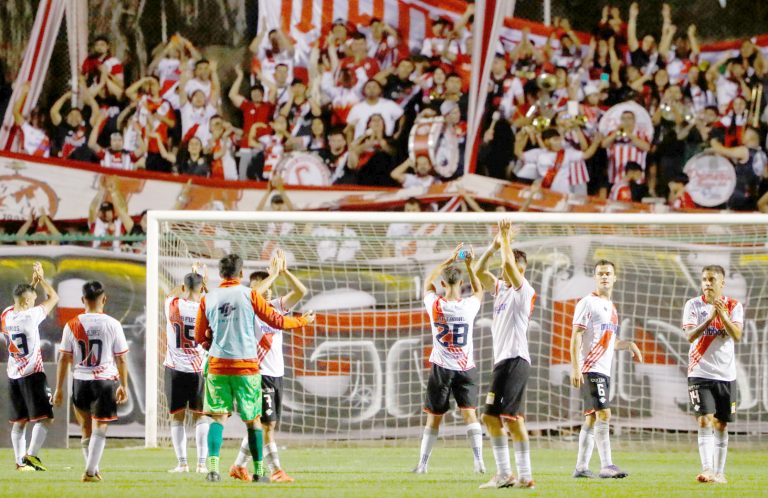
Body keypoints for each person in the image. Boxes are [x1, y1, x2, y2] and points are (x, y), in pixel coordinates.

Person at [193, 254, 315, 483]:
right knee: (254, 421)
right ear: (241, 274)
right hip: (247, 368)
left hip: (218, 366)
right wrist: (302, 321)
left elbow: (200, 336)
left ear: (220, 274)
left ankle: (212, 470)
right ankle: (260, 473)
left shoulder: (207, 298)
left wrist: (213, 342)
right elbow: (276, 321)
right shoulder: (249, 295)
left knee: (217, 419)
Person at [230, 250, 307, 483]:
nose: (267, 288)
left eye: (269, 284)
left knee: (263, 424)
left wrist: (283, 272)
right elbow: (252, 295)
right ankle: (276, 471)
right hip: (258, 374)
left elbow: (301, 292)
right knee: (268, 424)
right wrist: (272, 275)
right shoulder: (247, 309)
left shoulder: (276, 307)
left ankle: (237, 466)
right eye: (261, 285)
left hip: (277, 374)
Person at [473, 221, 536, 489]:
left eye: (509, 266)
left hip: (514, 359)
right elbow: (478, 271)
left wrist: (506, 238)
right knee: (499, 418)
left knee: (500, 418)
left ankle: (513, 475)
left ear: (522, 270)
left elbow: (509, 266)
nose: (503, 270)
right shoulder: (501, 289)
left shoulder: (524, 290)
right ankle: (516, 476)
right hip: (505, 362)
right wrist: (493, 245)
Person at [413, 244, 485, 475]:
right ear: (461, 284)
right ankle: (479, 462)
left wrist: (448, 260)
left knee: (434, 419)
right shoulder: (468, 306)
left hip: (442, 368)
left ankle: (423, 465)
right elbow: (479, 290)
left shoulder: (435, 304)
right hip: (465, 368)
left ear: (443, 284)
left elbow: (427, 283)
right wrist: (469, 265)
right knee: (470, 415)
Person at [570, 260, 642, 479]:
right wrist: (575, 367)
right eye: (600, 273)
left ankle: (581, 467)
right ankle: (607, 465)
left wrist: (627, 344)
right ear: (595, 277)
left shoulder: (611, 307)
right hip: (591, 368)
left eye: (608, 273)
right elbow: (576, 335)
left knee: (592, 417)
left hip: (603, 369)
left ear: (614, 277)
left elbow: (609, 341)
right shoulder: (587, 303)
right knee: (604, 413)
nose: (604, 277)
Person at [53, 281, 130, 482]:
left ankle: (93, 470)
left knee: (85, 429)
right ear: (104, 299)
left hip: (80, 381)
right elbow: (121, 357)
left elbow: (63, 358)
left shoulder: (72, 324)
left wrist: (59, 388)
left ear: (82, 300)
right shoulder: (113, 324)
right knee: (100, 428)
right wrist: (124, 385)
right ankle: (89, 471)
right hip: (104, 382)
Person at [683, 266, 743, 484]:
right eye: (704, 279)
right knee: (704, 420)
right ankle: (707, 469)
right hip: (699, 372)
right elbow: (689, 336)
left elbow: (736, 334)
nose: (707, 283)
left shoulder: (734, 306)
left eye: (712, 279)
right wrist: (709, 318)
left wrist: (722, 315)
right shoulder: (693, 305)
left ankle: (719, 473)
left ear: (722, 283)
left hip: (726, 375)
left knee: (721, 424)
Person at [2, 263, 59, 472]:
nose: (36, 301)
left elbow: (23, 297)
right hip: (32, 374)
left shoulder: (7, 315)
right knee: (46, 418)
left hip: (14, 374)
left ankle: (19, 463)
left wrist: (32, 283)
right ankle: (31, 456)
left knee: (19, 422)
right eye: (33, 300)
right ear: (27, 302)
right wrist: (43, 279)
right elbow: (54, 298)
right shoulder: (30, 316)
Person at [165, 265, 209, 473]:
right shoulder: (206, 308)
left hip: (175, 368)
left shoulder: (172, 304)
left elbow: (171, 293)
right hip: (199, 369)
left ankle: (182, 463)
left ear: (184, 286)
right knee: (201, 416)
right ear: (202, 288)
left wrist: (183, 285)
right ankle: (201, 464)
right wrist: (204, 283)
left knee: (177, 416)